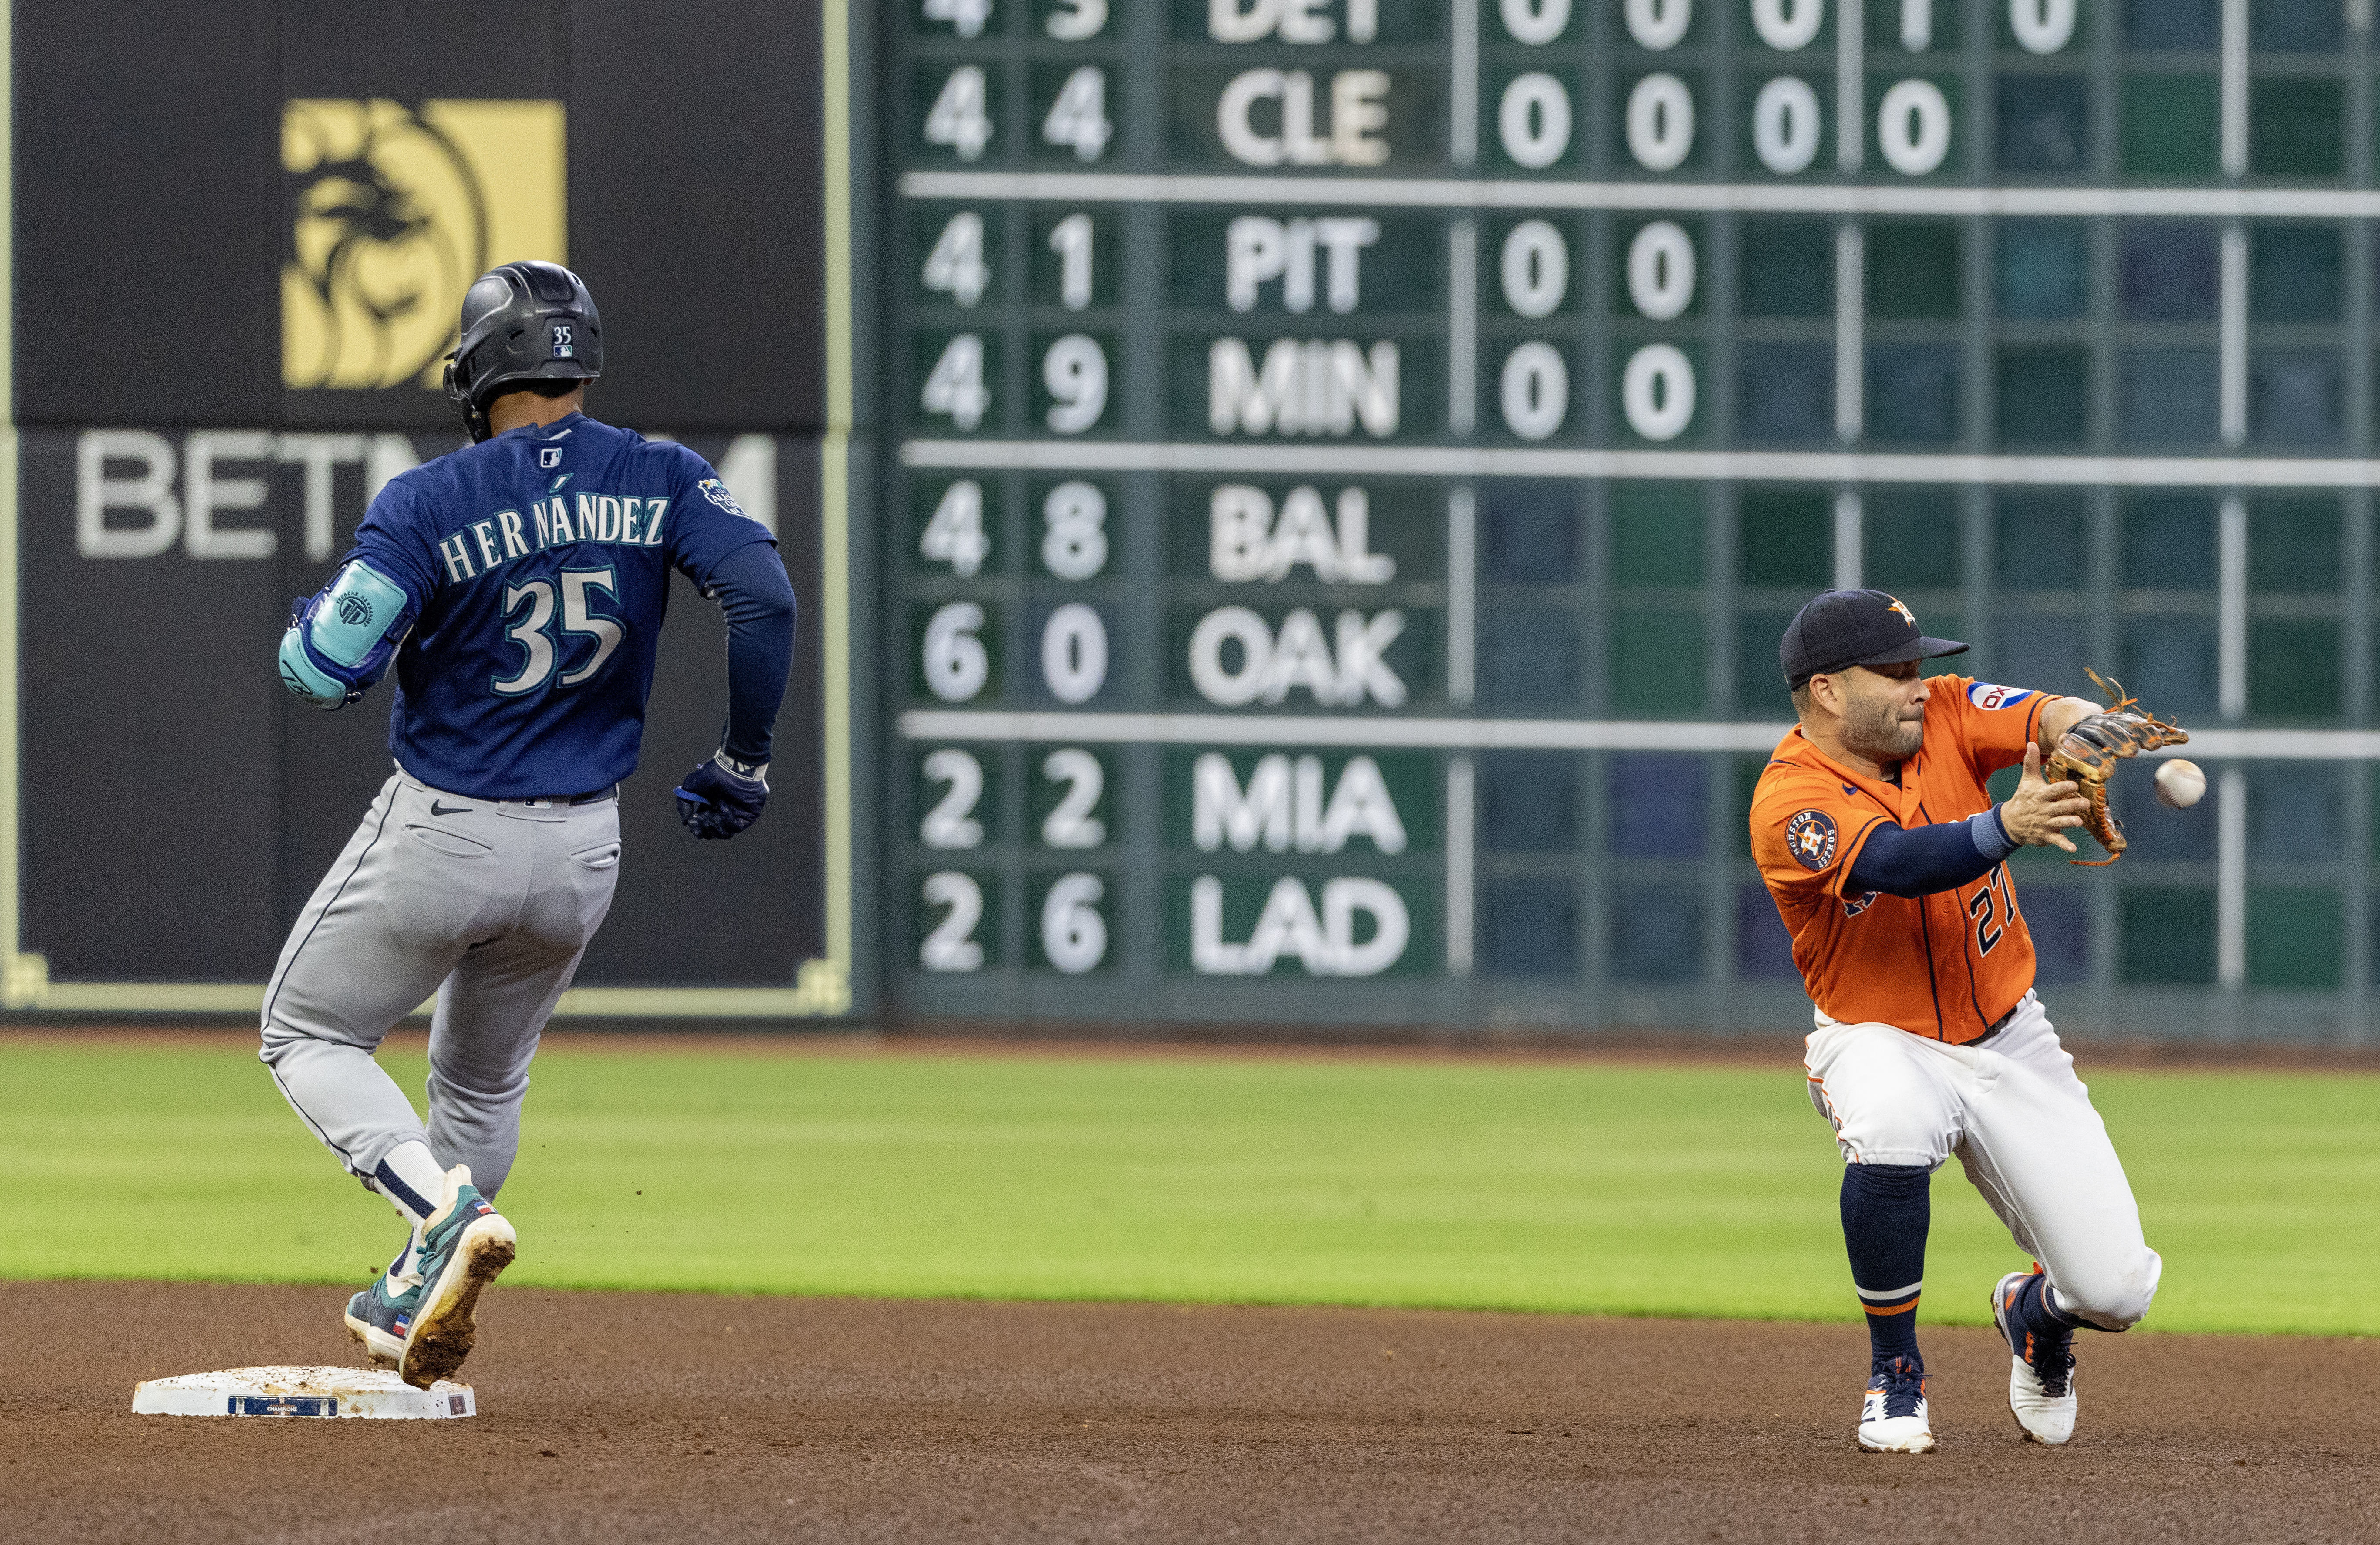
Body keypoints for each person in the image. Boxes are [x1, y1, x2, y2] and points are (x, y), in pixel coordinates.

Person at [261, 260, 797, 1389]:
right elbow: (764, 598)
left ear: (480, 373)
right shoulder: (661, 476)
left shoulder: (429, 500)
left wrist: (319, 627)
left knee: (305, 1031)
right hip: (581, 852)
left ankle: (438, 1211)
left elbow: (319, 669)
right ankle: (421, 1285)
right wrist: (742, 756)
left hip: (448, 824)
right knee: (482, 1083)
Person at [1748, 589, 2166, 1453]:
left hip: (2011, 1035)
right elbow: (1894, 862)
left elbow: (2052, 713)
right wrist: (2008, 822)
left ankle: (2033, 1313)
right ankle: (1894, 1374)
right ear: (1826, 690)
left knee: (2117, 1291)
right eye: (1894, 670)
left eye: (1918, 664)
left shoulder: (1940, 710)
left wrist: (2081, 731)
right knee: (1893, 1122)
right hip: (1877, 1034)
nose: (1917, 683)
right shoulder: (1790, 800)